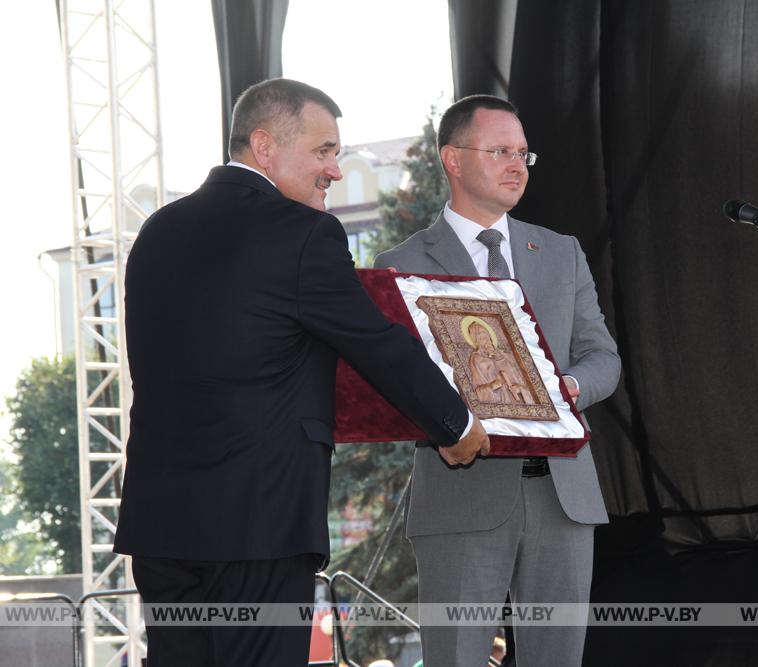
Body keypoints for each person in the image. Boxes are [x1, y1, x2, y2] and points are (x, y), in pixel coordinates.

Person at [113, 78, 489, 667]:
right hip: (258, 525)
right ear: (265, 147)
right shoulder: (302, 234)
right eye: (324, 151)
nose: (334, 170)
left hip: (161, 523)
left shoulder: (157, 232)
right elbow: (375, 343)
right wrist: (456, 422)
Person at [375, 95, 620, 667]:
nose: (518, 165)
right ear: (453, 160)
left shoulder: (561, 254)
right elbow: (391, 384)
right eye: (500, 151)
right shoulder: (401, 264)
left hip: (564, 497)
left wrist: (571, 388)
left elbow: (602, 357)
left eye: (523, 153)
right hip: (460, 493)